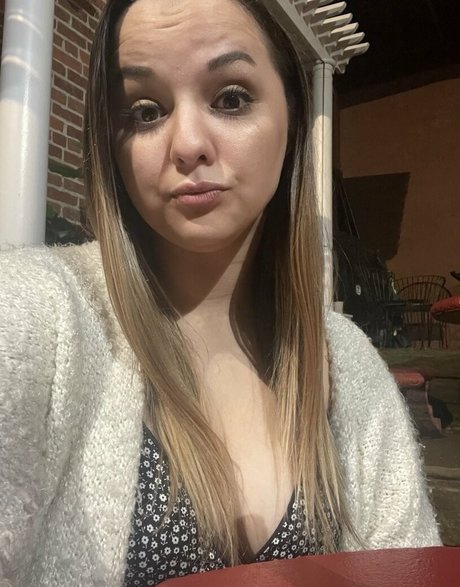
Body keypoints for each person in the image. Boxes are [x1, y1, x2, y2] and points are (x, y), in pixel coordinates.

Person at [0, 0, 441, 585]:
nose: (187, 143)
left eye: (231, 98)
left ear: (292, 119)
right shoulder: (42, 315)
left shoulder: (347, 361)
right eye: (145, 111)